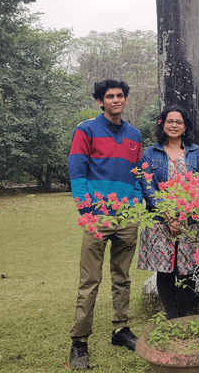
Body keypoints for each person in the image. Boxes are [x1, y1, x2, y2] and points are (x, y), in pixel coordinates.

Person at [67, 79, 142, 370]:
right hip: (97, 217)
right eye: (109, 96)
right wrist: (86, 210)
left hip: (126, 217)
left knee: (122, 277)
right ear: (100, 101)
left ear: (125, 99)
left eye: (120, 96)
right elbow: (77, 171)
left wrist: (135, 203)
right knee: (90, 280)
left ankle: (120, 329)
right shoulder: (86, 129)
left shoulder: (134, 134)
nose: (115, 100)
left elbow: (137, 174)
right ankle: (79, 341)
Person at [137, 105, 199, 320]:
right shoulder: (151, 153)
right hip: (161, 220)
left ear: (185, 126)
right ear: (162, 124)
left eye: (179, 122)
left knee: (187, 268)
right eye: (170, 121)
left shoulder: (197, 153)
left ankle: (184, 315)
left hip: (190, 221)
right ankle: (172, 317)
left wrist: (183, 216)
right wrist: (168, 215)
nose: (174, 125)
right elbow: (147, 185)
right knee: (165, 268)